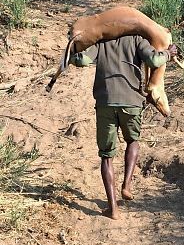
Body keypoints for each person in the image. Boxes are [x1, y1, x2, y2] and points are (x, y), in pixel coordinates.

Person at [70, 35, 177, 220]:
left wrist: (72, 52)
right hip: (132, 102)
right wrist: (169, 53)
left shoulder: (101, 42)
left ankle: (113, 209)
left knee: (106, 155)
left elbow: (83, 60)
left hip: (106, 103)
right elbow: (154, 59)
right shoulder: (137, 40)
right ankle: (126, 185)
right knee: (133, 141)